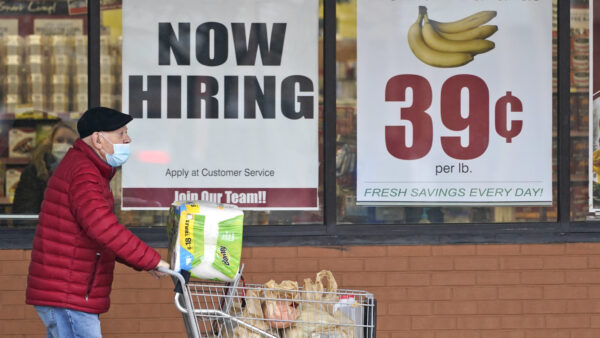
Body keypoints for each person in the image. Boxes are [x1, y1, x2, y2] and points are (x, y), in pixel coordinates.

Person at [26, 107, 170, 338]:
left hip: (68, 290)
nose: (127, 139)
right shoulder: (84, 173)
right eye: (120, 134)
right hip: (68, 292)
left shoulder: (85, 167)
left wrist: (147, 263)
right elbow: (103, 228)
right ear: (98, 139)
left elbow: (100, 233)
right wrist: (151, 259)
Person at [12, 122, 78, 214]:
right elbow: (24, 212)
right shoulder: (33, 172)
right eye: (59, 140)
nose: (64, 145)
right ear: (51, 143)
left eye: (70, 142)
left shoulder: (85, 173)